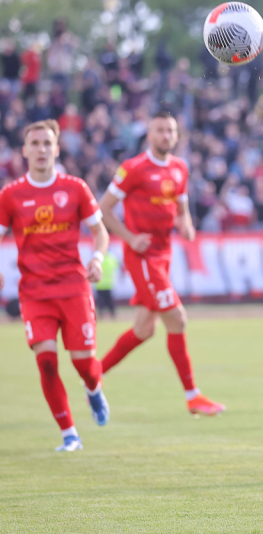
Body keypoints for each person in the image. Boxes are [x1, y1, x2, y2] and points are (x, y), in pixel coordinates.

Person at [98, 111, 225, 416]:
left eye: (170, 131)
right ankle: (193, 397)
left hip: (164, 256)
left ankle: (94, 374)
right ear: (150, 135)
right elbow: (103, 209)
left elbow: (181, 208)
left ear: (176, 135)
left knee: (144, 329)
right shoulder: (133, 169)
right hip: (143, 258)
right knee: (177, 319)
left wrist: (186, 225)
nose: (166, 135)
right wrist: (130, 238)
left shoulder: (180, 168)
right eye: (160, 130)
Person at [0, 119, 110, 451]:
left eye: (47, 143)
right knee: (46, 362)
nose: (41, 149)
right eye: (34, 143)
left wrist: (97, 259)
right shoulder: (10, 195)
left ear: (57, 149)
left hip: (74, 288)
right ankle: (69, 434)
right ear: (24, 151)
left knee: (84, 366)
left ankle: (93, 390)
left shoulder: (75, 188)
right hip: (34, 293)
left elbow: (100, 232)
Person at [94, 251, 120, 319]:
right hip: (108, 284)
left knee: (100, 302)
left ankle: (100, 315)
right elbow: (117, 265)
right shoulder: (111, 258)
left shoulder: (97, 259)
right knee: (110, 301)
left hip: (99, 284)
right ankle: (113, 314)